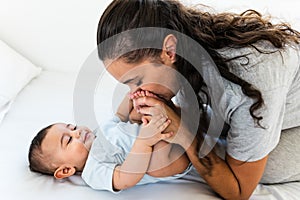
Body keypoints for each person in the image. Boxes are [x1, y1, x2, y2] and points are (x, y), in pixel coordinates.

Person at [97, 0, 300, 199]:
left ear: (169, 50)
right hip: (270, 104)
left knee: (266, 168)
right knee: (216, 136)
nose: (134, 94)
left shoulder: (250, 80)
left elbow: (239, 191)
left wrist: (186, 135)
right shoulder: (186, 58)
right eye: (129, 86)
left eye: (138, 81)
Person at [28, 91, 191, 193]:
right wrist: (144, 142)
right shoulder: (92, 171)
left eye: (73, 127)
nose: (77, 132)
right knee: (155, 166)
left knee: (136, 113)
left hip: (153, 134)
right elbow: (124, 178)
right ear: (66, 171)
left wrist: (132, 95)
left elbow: (120, 116)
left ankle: (177, 118)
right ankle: (175, 125)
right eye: (69, 139)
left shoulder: (99, 133)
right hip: (169, 161)